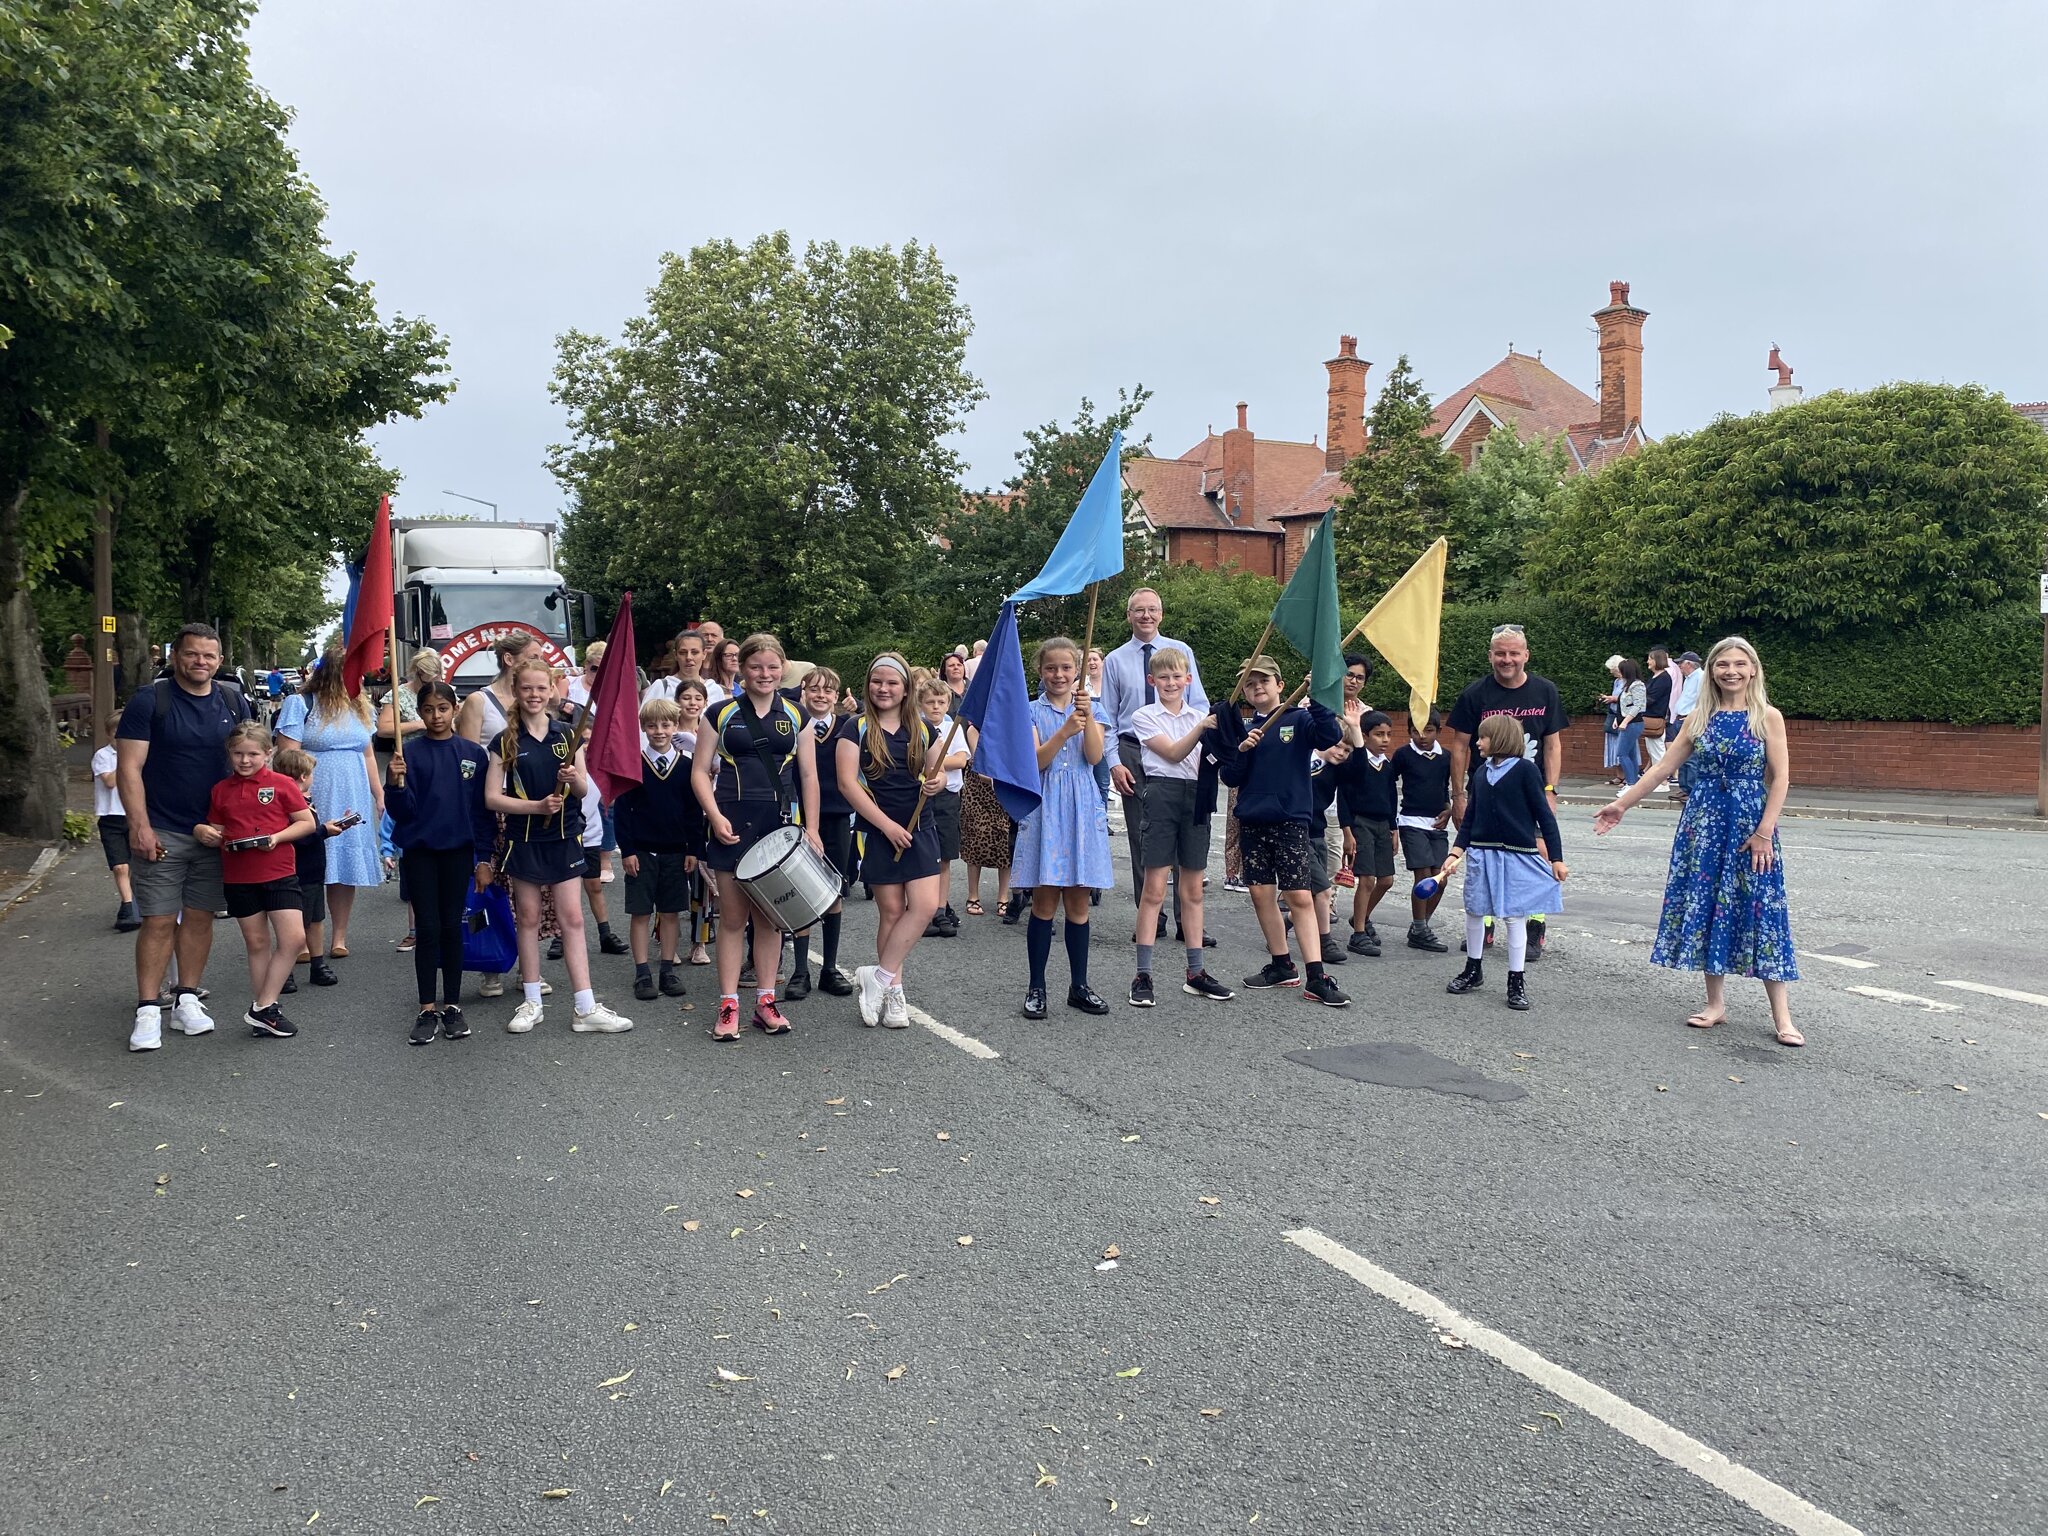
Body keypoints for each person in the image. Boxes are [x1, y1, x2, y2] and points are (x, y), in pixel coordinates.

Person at [1595, 636, 1802, 1045]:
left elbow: (1780, 779)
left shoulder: (1768, 717)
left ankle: (1783, 1017)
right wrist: (1622, 804)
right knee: (1709, 905)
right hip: (1703, 823)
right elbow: (1661, 769)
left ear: (1753, 669)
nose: (1731, 671)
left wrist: (1764, 832)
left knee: (1762, 910)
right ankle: (1715, 1004)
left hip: (1750, 825)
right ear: (1712, 671)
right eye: (1723, 664)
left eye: (1740, 664)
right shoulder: (1699, 716)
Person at [117, 623, 252, 1051]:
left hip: (216, 832)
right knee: (157, 920)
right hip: (162, 828)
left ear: (219, 660)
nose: (201, 662)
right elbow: (129, 769)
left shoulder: (232, 700)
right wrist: (138, 825)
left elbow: (249, 763)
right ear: (175, 656)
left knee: (199, 917)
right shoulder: (150, 700)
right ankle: (146, 1011)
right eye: (192, 654)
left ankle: (187, 1000)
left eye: (209, 656)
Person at [484, 659, 633, 1035]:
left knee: (574, 918)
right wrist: (534, 807)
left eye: (541, 688)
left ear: (552, 690)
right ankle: (531, 1000)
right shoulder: (505, 740)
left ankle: (585, 1006)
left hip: (565, 836)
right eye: (526, 689)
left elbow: (584, 790)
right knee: (529, 918)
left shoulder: (568, 734)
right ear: (517, 692)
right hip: (524, 839)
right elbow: (491, 798)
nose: (534, 695)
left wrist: (572, 778)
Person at [694, 634, 820, 1041]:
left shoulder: (798, 714)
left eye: (772, 667)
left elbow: (808, 776)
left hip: (779, 826)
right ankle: (729, 1004)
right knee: (732, 919)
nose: (765, 674)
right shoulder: (719, 712)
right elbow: (699, 772)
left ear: (782, 668)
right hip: (731, 821)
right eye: (755, 667)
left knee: (771, 919)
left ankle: (766, 1001)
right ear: (741, 670)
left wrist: (812, 828)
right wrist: (713, 816)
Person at [1212, 656, 1347, 1006]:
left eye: (1264, 681)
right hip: (1253, 820)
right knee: (1260, 894)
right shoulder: (1241, 727)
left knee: (1299, 895)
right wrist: (1242, 752)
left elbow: (1330, 735)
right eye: (1250, 684)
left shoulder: (1299, 719)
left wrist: (1318, 698)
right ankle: (1281, 963)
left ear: (1280, 685)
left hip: (1290, 820)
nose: (1257, 687)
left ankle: (1317, 976)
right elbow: (1230, 777)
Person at [1445, 625, 1569, 962]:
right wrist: (1459, 795)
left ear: (1526, 655)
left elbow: (1552, 744)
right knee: (1485, 856)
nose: (1507, 659)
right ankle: (1485, 922)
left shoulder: (1545, 691)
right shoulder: (1475, 694)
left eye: (1514, 653)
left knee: (1538, 857)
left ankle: (1534, 926)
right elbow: (1459, 746)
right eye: (1500, 653)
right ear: (1490, 656)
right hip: (1487, 789)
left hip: (1532, 791)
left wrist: (1551, 790)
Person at [838, 654, 947, 1029]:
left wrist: (938, 782)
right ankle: (895, 989)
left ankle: (879, 978)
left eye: (892, 683)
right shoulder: (855, 727)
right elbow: (847, 784)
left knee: (926, 906)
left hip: (920, 827)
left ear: (905, 689)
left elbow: (938, 772)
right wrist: (885, 826)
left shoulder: (922, 728)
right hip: (877, 830)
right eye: (877, 682)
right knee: (891, 912)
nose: (883, 689)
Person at [193, 722, 319, 1038]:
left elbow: (306, 823)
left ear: (268, 753)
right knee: (257, 943)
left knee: (293, 939)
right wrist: (203, 832)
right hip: (239, 877)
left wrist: (277, 838)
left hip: (279, 872)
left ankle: (263, 1006)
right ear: (229, 755)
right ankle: (266, 1010)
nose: (245, 761)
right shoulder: (221, 790)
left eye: (252, 754)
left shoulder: (282, 784)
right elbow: (217, 829)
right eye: (238, 754)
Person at [384, 682, 495, 1044]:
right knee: (428, 929)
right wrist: (395, 785)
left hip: (459, 851)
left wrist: (484, 858)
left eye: (443, 709)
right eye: (429, 709)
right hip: (420, 852)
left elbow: (481, 814)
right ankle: (426, 1007)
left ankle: (452, 1005)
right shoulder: (408, 755)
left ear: (454, 708)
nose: (436, 716)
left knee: (452, 926)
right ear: (419, 712)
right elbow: (403, 812)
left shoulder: (471, 754)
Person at [1011, 636, 1113, 1019]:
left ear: (1078, 671)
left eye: (1066, 668)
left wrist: (1084, 720)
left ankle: (1079, 986)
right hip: (1046, 805)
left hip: (1082, 806)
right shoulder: (1030, 712)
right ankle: (1036, 986)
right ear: (1041, 671)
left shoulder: (1092, 708)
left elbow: (1094, 756)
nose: (1058, 674)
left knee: (1079, 901)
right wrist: (1065, 729)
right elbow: (1035, 762)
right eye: (1051, 668)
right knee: (1044, 900)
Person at [1439, 715, 1567, 1012]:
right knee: (1475, 910)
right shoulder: (1482, 772)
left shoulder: (1526, 771)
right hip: (1482, 854)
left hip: (1517, 854)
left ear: (1499, 739)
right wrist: (1456, 852)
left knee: (1514, 916)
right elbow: (1470, 819)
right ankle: (1473, 969)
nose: (1478, 742)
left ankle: (1516, 980)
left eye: (1483, 738)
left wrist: (1557, 858)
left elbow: (1544, 816)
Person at [1128, 645, 1232, 1006]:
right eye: (1164, 677)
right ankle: (1143, 974)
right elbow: (1172, 753)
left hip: (1196, 796)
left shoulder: (1201, 714)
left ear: (1188, 680)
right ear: (1151, 680)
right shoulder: (1144, 716)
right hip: (1161, 794)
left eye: (1177, 677)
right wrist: (1203, 727)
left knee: (1193, 889)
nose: (1171, 683)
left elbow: (1221, 757)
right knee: (1154, 888)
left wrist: (1237, 739)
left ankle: (1196, 972)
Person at [1099, 587, 1210, 912]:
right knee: (1142, 833)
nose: (1146, 616)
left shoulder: (1181, 651)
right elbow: (1107, 717)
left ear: (1161, 614)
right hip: (1134, 751)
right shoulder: (1115, 660)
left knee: (1184, 828)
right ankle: (1150, 913)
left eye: (1152, 609)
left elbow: (1200, 704)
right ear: (1129, 616)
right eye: (1139, 610)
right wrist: (1114, 763)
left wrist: (1191, 745)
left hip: (1181, 749)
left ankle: (1186, 915)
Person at [275, 650, 384, 956]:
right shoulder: (300, 704)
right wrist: (295, 796)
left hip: (353, 791)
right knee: (305, 867)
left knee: (343, 866)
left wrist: (379, 795)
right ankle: (300, 940)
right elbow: (287, 759)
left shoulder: (361, 707)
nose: (361, 679)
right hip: (313, 793)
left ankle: (338, 937)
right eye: (356, 673)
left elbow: (368, 754)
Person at [612, 697, 699, 1004]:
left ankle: (666, 969)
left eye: (665, 724)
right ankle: (642, 972)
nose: (659, 731)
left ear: (676, 726)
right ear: (643, 727)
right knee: (640, 913)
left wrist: (694, 849)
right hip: (642, 852)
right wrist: (627, 850)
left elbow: (693, 812)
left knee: (671, 912)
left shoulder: (688, 767)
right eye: (652, 725)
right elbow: (622, 811)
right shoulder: (633, 766)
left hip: (676, 851)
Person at [788, 666, 855, 998]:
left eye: (828, 691)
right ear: (803, 690)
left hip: (837, 817)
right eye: (814, 689)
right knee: (801, 892)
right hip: (799, 818)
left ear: (837, 696)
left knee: (834, 892)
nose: (820, 696)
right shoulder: (793, 725)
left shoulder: (847, 727)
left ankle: (829, 968)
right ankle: (800, 971)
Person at [272, 748, 343, 995]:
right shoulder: (287, 804)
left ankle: (317, 962)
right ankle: (286, 970)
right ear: (303, 776)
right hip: (296, 871)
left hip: (313, 871)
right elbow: (300, 837)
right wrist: (324, 830)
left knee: (315, 919)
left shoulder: (305, 800)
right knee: (294, 925)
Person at [1391, 710, 1453, 951]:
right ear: (1409, 732)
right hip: (1411, 822)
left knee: (1441, 879)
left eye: (1428, 730)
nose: (1422, 736)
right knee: (1424, 877)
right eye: (1416, 730)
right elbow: (1387, 784)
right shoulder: (1403, 755)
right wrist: (1390, 822)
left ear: (1438, 731)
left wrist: (1448, 810)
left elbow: (1446, 788)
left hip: (1436, 824)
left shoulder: (1446, 757)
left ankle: (1421, 926)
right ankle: (1419, 928)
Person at [915, 676, 971, 938]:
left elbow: (961, 760)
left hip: (948, 797)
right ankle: (921, 909)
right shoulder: (915, 729)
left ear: (948, 703)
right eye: (930, 702)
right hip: (922, 796)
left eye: (941, 702)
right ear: (921, 704)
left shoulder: (953, 729)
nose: (936, 707)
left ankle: (940, 907)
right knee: (922, 854)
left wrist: (935, 760)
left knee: (945, 856)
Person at [1343, 711, 1399, 956]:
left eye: (1388, 734)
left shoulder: (1387, 765)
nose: (1385, 739)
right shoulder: (1356, 763)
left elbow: (1392, 797)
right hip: (1360, 823)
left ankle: (1360, 916)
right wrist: (1347, 831)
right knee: (1366, 879)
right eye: (1378, 734)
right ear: (1364, 737)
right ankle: (1358, 934)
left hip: (1382, 825)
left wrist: (1393, 828)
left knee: (1386, 880)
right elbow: (1343, 798)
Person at [671, 678, 716, 967]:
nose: (692, 703)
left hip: (704, 811)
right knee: (672, 881)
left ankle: (699, 942)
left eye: (697, 698)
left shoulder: (711, 731)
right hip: (673, 812)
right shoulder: (667, 732)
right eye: (686, 697)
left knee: (703, 883)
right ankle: (668, 941)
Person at [92, 715, 140, 932]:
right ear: (109, 735)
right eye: (115, 735)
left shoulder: (140, 755)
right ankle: (127, 906)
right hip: (111, 817)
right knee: (120, 865)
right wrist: (127, 759)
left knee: (135, 864)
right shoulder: (102, 756)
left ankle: (136, 901)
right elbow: (110, 782)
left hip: (134, 815)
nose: (120, 740)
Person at [1669, 650, 1704, 800]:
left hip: (1690, 719)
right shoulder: (1689, 678)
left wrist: (1692, 717)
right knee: (1682, 756)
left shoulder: (1701, 677)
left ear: (1689, 664)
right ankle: (1684, 787)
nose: (1679, 666)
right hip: (1682, 718)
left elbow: (1702, 700)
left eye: (1681, 663)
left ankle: (1691, 790)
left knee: (1690, 757)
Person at [1614, 657, 1647, 788]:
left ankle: (1630, 782)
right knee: (1631, 753)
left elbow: (1638, 705)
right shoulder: (1627, 685)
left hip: (1633, 723)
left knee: (1622, 753)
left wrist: (1625, 721)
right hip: (1627, 722)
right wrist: (1618, 720)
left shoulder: (1637, 685)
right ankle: (1633, 782)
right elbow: (1624, 705)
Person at [1642, 648, 1674, 782]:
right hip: (1650, 717)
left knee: (1658, 751)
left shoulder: (1663, 679)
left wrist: (1636, 701)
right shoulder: (1655, 677)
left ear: (1657, 660)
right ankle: (1659, 780)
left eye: (1650, 658)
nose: (1648, 661)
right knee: (1652, 750)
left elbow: (1652, 699)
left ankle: (1663, 781)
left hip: (1655, 717)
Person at [1598, 656, 1626, 786]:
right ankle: (1619, 776)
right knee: (1613, 747)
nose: (1610, 672)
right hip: (1613, 714)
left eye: (1612, 669)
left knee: (1623, 746)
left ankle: (1627, 776)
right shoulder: (1616, 682)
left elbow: (1626, 697)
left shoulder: (1628, 681)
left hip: (1622, 716)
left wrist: (1613, 699)